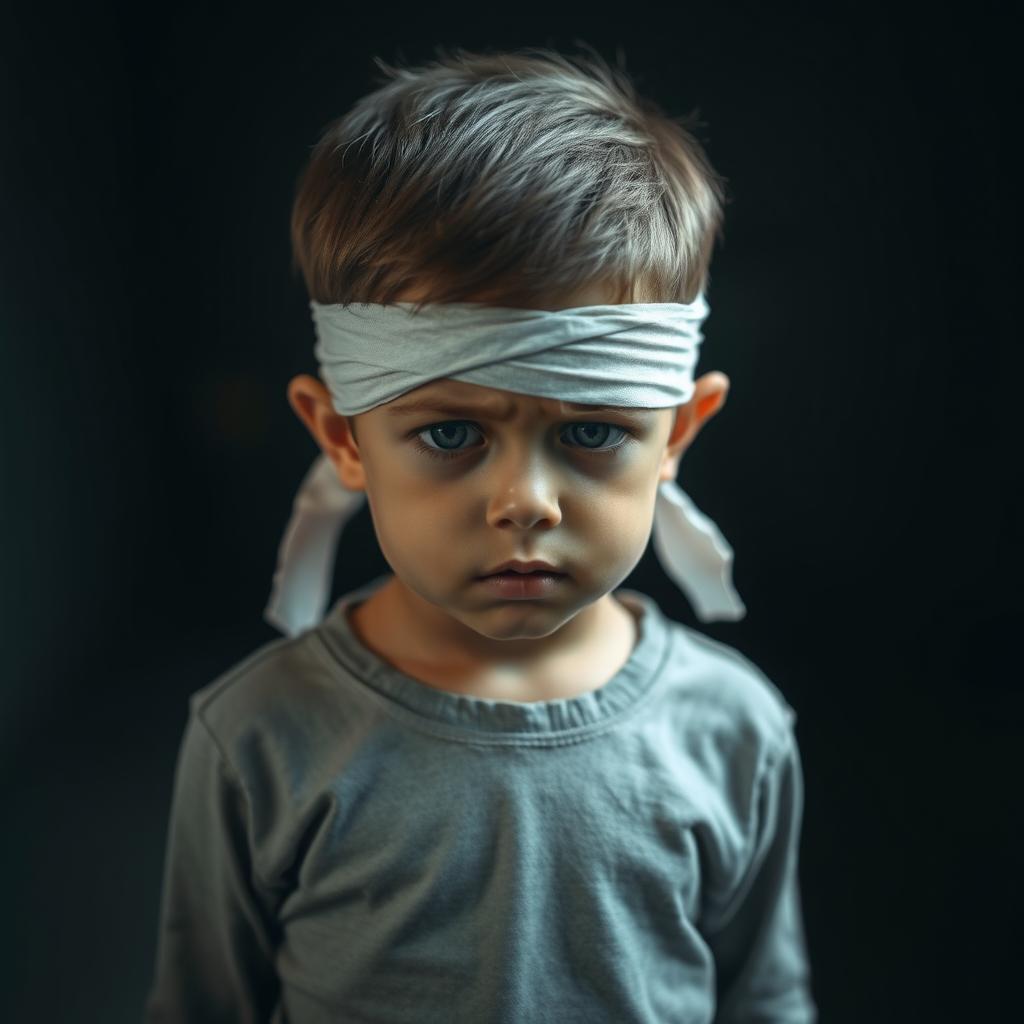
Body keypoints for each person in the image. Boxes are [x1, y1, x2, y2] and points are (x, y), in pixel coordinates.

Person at [144, 44, 817, 1023]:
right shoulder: (258, 738)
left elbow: (764, 998)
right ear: (343, 437)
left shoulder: (733, 731)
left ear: (674, 434)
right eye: (449, 433)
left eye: (591, 431)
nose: (524, 502)